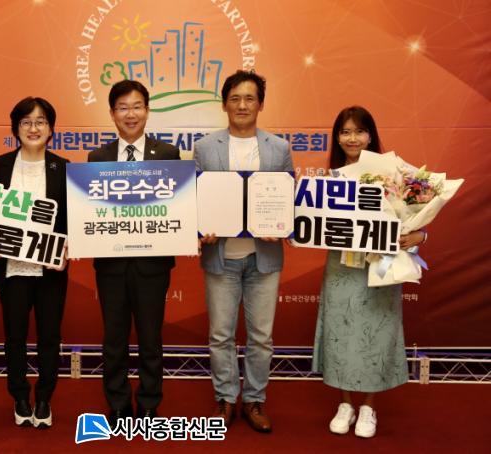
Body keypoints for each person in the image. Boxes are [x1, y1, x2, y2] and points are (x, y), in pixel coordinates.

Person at [312, 105, 426, 438]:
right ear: (337, 138)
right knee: (341, 333)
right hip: (341, 268)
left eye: (359, 131)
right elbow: (315, 225)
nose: (353, 138)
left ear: (371, 136)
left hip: (380, 267)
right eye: (345, 132)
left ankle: (369, 407)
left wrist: (420, 236)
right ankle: (345, 404)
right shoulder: (330, 180)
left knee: (376, 334)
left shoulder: (395, 172)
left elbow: (419, 215)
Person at [194, 70, 293, 433]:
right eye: (235, 98)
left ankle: (254, 399)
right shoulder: (205, 147)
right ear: (224, 104)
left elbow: (289, 199)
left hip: (263, 259)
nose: (242, 105)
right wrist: (200, 230)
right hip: (221, 257)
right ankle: (225, 398)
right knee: (220, 335)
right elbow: (194, 200)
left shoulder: (278, 148)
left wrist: (281, 227)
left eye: (250, 98)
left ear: (260, 104)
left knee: (261, 337)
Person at [88, 79, 180, 425]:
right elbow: (90, 210)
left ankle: (150, 402)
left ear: (147, 110)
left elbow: (177, 207)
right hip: (111, 265)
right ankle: (118, 402)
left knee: (151, 338)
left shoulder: (168, 155)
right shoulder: (98, 158)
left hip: (152, 266)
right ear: (112, 113)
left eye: (137, 106)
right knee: (113, 338)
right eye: (123, 107)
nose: (131, 114)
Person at [0, 97, 69, 428]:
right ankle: (19, 396)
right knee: (15, 337)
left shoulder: (63, 167)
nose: (34, 128)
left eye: (41, 121)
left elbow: (73, 220)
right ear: (16, 128)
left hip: (51, 270)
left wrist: (66, 248)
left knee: (49, 337)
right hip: (11, 268)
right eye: (26, 122)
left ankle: (45, 398)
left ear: (51, 129)